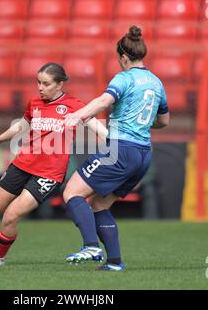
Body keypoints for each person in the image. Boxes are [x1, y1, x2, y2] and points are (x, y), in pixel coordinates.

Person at [62, 25, 170, 271]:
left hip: (120, 150)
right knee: (100, 205)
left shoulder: (124, 78)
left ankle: (90, 245)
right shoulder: (156, 82)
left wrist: (77, 116)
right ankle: (114, 262)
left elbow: (103, 101)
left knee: (72, 192)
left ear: (123, 57)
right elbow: (164, 121)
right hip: (143, 156)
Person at [0, 62, 108, 267]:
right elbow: (21, 127)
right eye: (38, 82)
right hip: (23, 163)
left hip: (48, 174)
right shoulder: (34, 103)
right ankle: (10, 229)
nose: (40, 87)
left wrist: (118, 143)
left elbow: (98, 128)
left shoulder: (74, 106)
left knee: (10, 215)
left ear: (60, 85)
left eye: (46, 83)